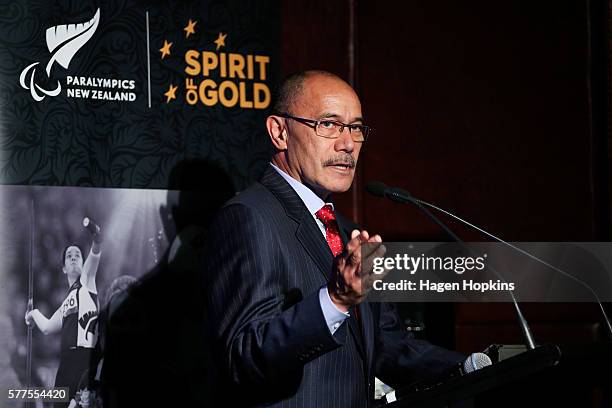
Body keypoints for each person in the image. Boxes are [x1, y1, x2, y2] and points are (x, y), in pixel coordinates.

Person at [201, 70, 464, 407]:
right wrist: (336, 300)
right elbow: (245, 356)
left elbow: (384, 344)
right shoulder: (248, 217)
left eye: (356, 127)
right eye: (329, 124)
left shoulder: (346, 231)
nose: (348, 143)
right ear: (279, 132)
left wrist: (470, 367)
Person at [25, 224, 103, 405]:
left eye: (77, 255)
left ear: (84, 263)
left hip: (85, 360)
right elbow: (45, 328)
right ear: (64, 268)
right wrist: (32, 313)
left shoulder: (87, 280)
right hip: (65, 364)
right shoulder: (64, 305)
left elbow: (97, 247)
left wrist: (95, 232)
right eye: (69, 256)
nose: (74, 258)